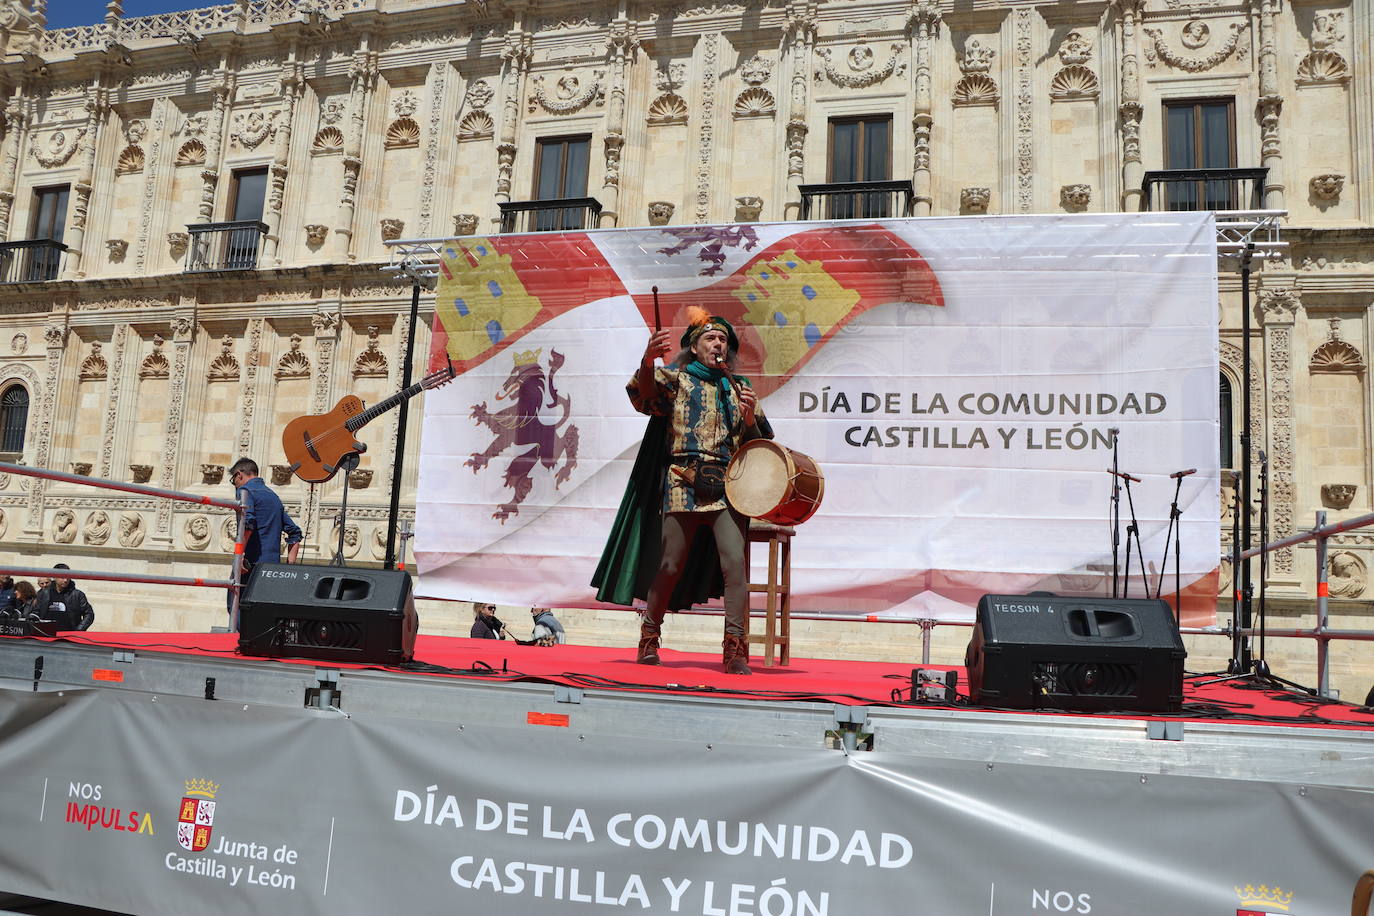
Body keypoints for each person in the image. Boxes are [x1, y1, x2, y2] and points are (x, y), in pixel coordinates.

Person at [592, 308, 772, 675]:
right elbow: (644, 396)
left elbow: (759, 443)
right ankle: (648, 638)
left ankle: (735, 650)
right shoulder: (675, 378)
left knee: (735, 566)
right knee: (670, 563)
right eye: (710, 338)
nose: (718, 344)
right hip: (683, 478)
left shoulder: (740, 388)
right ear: (693, 346)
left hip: (727, 485)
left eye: (723, 339)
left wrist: (750, 418)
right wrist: (646, 359)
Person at [229, 458, 302, 612]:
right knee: (260, 613)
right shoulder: (273, 496)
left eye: (233, 480)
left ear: (239, 475)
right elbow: (295, 532)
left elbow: (248, 524)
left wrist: (240, 554)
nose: (234, 485)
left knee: (235, 607)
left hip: (249, 565)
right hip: (271, 568)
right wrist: (290, 566)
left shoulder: (245, 491)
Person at [33, 563, 94, 631]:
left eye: (68, 577)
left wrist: (78, 630)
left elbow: (89, 614)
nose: (65, 580)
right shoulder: (43, 593)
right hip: (47, 634)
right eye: (62, 577)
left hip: (69, 636)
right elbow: (36, 612)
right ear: (54, 576)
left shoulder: (78, 595)